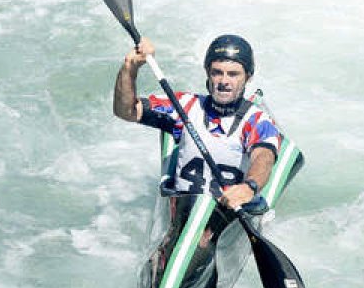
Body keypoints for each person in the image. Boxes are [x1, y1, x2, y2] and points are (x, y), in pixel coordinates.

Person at [113, 34, 280, 212]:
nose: (224, 81)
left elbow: (264, 157)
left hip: (227, 212)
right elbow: (126, 111)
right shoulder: (184, 105)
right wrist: (130, 68)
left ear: (248, 77)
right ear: (207, 73)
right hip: (184, 209)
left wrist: (249, 187)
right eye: (217, 72)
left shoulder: (258, 120)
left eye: (233, 74)